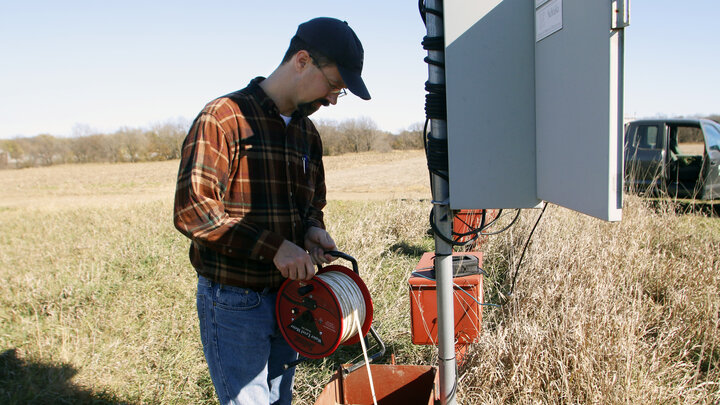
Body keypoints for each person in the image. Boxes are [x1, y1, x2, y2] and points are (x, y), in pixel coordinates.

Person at [173, 17, 370, 405]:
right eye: (333, 85)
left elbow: (312, 204)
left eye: (340, 93)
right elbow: (193, 209)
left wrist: (312, 229)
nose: (332, 99)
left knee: (281, 400)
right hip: (234, 300)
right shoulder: (223, 118)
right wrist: (276, 248)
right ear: (301, 60)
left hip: (294, 298)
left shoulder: (306, 134)